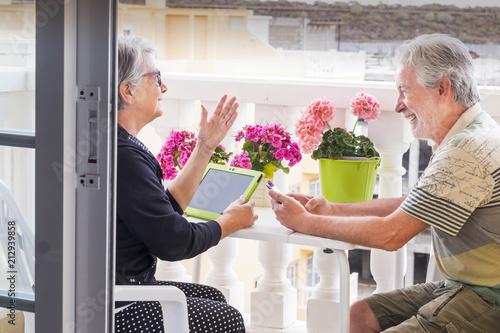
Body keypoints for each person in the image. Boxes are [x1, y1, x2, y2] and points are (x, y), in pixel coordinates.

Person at [270, 33, 500, 332]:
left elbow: (391, 235)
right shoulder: (474, 130)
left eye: (404, 91)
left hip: (487, 297)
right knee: (360, 315)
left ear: (442, 88)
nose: (399, 105)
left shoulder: (466, 150)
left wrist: (304, 222)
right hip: (462, 286)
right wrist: (332, 209)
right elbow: (415, 205)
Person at [115, 35, 257, 333]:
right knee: (226, 318)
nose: (163, 87)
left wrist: (204, 147)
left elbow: (164, 212)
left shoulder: (114, 144)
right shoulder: (124, 158)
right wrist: (228, 223)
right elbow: (174, 242)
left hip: (113, 291)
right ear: (127, 91)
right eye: (156, 78)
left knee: (214, 296)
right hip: (116, 307)